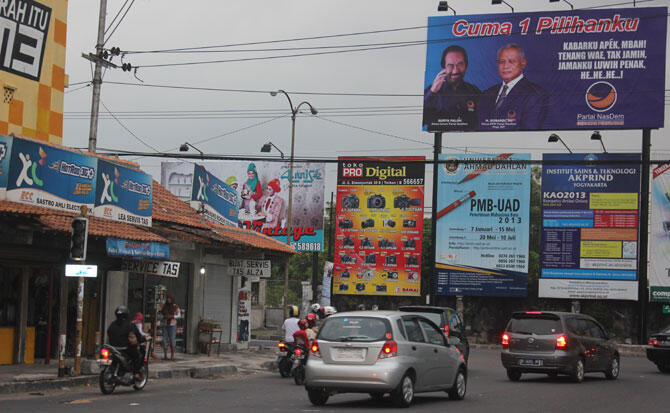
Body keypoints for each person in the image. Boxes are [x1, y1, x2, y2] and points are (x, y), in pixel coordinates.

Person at [477, 44, 549, 131]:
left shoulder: (536, 94)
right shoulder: (486, 94)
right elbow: (478, 127)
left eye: (511, 61)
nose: (505, 66)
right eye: (502, 61)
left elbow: (528, 133)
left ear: (523, 63)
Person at [423, 45, 481, 131]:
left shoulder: (474, 91)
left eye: (460, 64)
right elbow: (422, 120)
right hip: (440, 141)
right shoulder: (431, 92)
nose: (455, 70)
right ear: (444, 66)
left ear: (466, 65)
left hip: (468, 142)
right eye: (450, 65)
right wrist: (432, 92)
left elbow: (482, 122)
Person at [106, 306, 144, 380]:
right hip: (125, 348)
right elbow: (138, 335)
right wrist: (142, 340)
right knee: (136, 356)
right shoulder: (130, 325)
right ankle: (136, 373)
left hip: (113, 347)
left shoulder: (112, 324)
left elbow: (108, 333)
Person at [160, 293, 180, 361]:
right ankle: (165, 355)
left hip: (172, 324)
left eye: (170, 298)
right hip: (165, 324)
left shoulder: (175, 306)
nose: (168, 300)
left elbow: (179, 315)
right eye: (168, 298)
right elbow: (161, 312)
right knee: (165, 339)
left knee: (172, 339)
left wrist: (172, 316)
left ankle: (172, 356)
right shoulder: (164, 306)